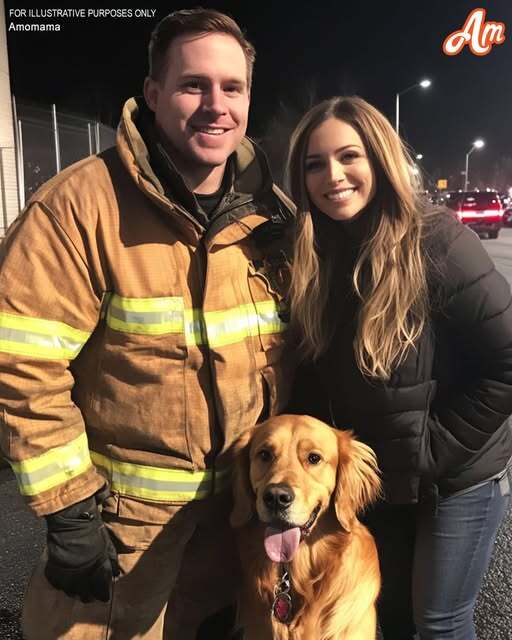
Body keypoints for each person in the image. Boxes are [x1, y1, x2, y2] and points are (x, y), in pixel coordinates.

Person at [0, 8, 294, 640]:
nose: (216, 106)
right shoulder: (78, 209)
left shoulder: (270, 217)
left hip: (238, 519)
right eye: (194, 85)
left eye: (233, 87)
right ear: (153, 93)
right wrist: (70, 509)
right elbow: (21, 363)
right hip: (125, 529)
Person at [286, 96, 512, 640]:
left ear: (381, 160)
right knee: (391, 614)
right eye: (315, 164)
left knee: (438, 621)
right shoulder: (313, 256)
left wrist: (432, 450)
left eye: (349, 156)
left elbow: (506, 361)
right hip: (378, 480)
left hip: (456, 478)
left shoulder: (438, 243)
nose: (333, 176)